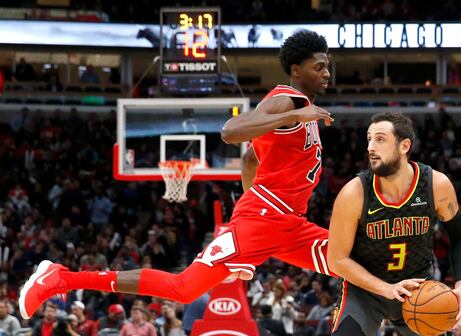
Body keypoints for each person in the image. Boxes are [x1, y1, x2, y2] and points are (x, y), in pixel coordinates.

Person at [19, 29, 335, 319]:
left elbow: (251, 159)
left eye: (327, 66)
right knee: (184, 288)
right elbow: (230, 130)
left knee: (347, 260)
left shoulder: (302, 109)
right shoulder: (287, 101)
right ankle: (61, 278)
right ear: (296, 69)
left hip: (288, 221)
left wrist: (248, 218)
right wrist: (252, 220)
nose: (327, 73)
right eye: (318, 67)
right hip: (265, 218)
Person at [327, 112, 461, 336]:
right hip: (365, 292)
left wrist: (460, 287)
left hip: (417, 291)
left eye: (380, 139)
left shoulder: (436, 185)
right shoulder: (354, 193)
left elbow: (460, 239)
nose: (370, 147)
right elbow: (337, 260)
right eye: (369, 139)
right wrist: (386, 289)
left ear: (404, 145)